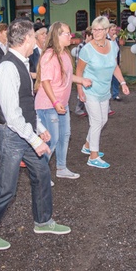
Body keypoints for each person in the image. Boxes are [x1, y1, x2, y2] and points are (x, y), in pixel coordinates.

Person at [0, 19, 71, 251]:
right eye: (35, 36)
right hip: (10, 135)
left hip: (24, 133)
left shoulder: (22, 62)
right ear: (27, 39)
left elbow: (26, 104)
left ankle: (43, 221)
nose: (39, 38)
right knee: (6, 188)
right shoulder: (8, 67)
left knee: (41, 174)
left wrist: (39, 127)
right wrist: (35, 139)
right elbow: (12, 114)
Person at [35, 21, 91, 181]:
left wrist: (81, 80)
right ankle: (40, 175)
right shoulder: (49, 55)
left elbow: (67, 76)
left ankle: (61, 168)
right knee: (50, 140)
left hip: (62, 104)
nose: (70, 36)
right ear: (57, 36)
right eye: (67, 33)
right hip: (49, 105)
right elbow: (45, 81)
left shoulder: (65, 54)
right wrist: (54, 102)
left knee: (64, 136)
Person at [76, 16, 130, 169]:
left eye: (100, 29)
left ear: (107, 30)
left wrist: (123, 82)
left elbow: (114, 66)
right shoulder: (87, 49)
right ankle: (93, 156)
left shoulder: (113, 46)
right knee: (96, 121)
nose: (96, 32)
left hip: (104, 90)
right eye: (94, 29)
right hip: (90, 89)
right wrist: (80, 90)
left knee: (103, 120)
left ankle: (87, 145)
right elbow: (79, 71)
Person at [71, 27, 93, 116]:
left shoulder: (93, 46)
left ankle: (85, 108)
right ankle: (79, 108)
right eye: (91, 36)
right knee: (83, 90)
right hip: (83, 72)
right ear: (87, 36)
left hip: (91, 72)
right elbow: (78, 62)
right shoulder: (80, 47)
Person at [108, 23, 122, 102]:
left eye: (115, 30)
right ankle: (107, 94)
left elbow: (116, 50)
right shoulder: (106, 39)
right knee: (108, 79)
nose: (114, 32)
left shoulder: (116, 39)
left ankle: (115, 94)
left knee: (116, 78)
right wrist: (112, 40)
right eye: (112, 30)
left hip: (115, 61)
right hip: (108, 62)